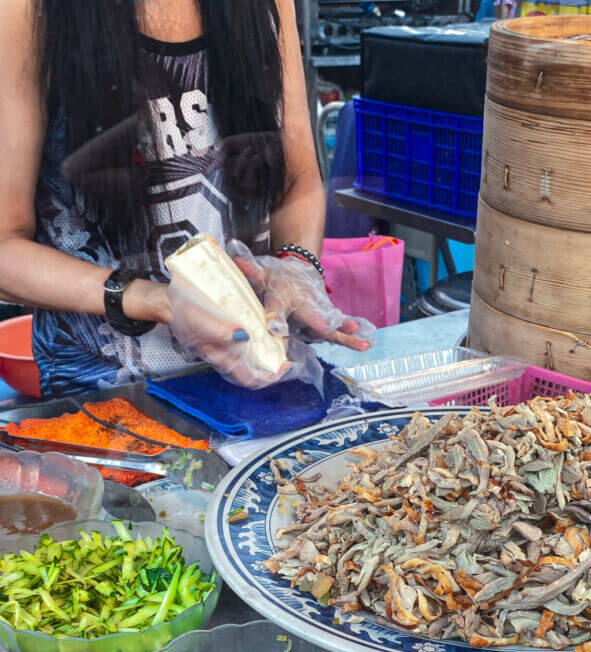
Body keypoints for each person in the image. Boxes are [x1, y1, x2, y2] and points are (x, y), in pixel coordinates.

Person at [0, 0, 368, 397]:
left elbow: (297, 180)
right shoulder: (28, 10)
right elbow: (6, 245)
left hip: (260, 386)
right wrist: (155, 300)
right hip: (107, 402)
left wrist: (296, 268)